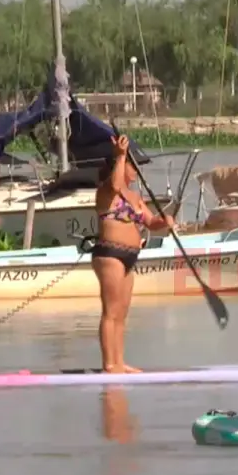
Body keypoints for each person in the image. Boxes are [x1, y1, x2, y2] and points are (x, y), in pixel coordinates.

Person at [93, 134, 174, 373]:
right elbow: (117, 184)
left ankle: (119, 361)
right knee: (111, 310)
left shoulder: (136, 198)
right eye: (133, 165)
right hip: (110, 254)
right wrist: (120, 155)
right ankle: (109, 364)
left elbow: (150, 222)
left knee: (122, 312)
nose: (136, 170)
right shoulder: (108, 190)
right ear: (120, 165)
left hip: (130, 256)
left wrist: (165, 221)